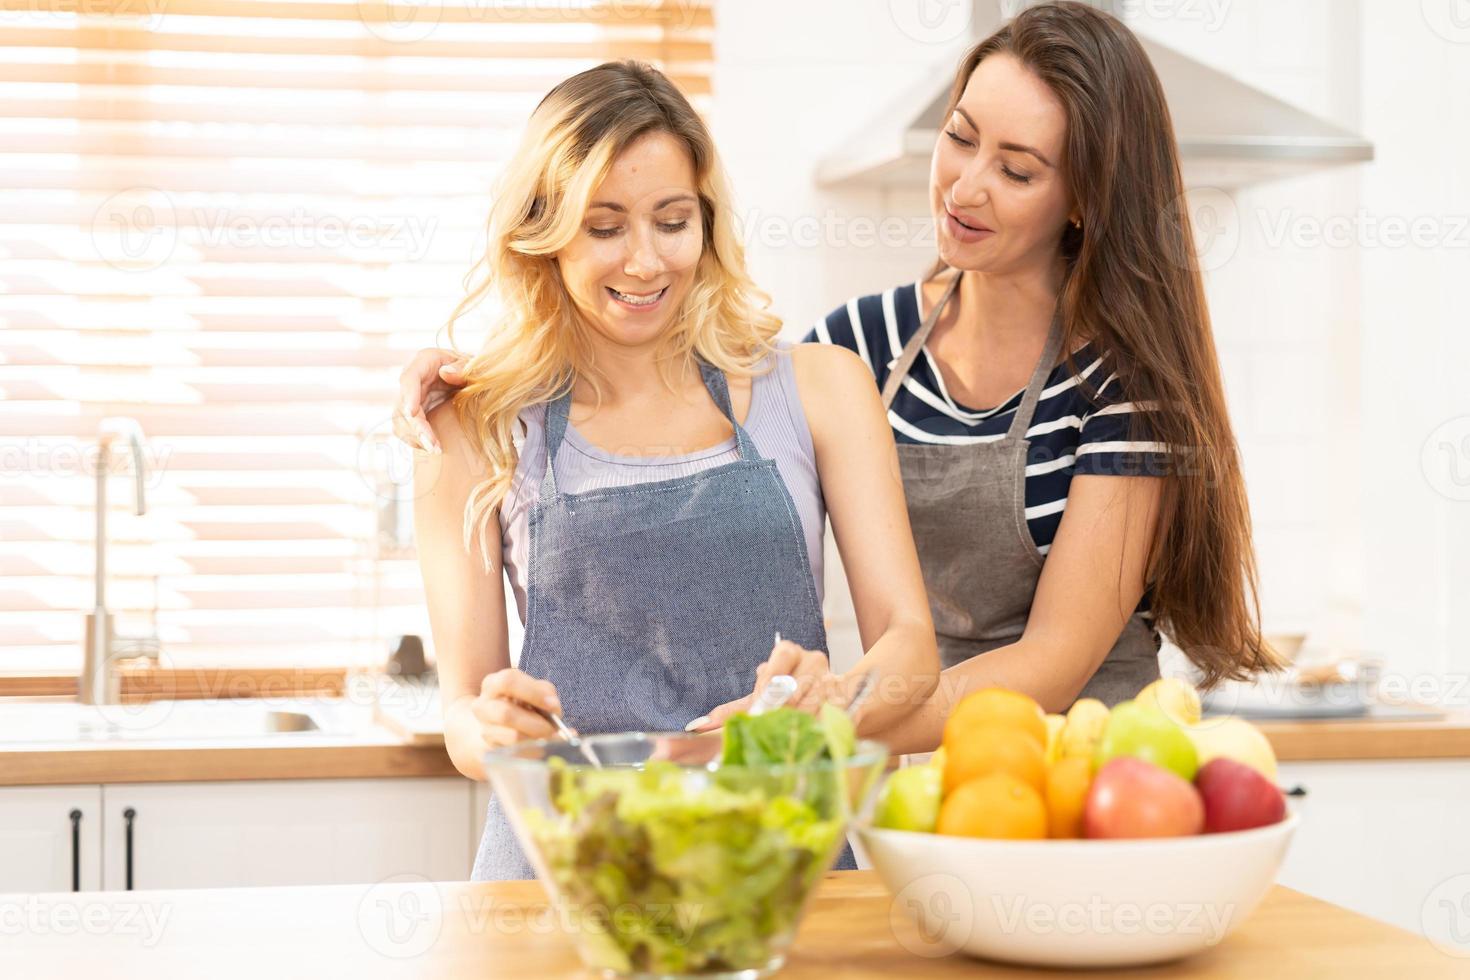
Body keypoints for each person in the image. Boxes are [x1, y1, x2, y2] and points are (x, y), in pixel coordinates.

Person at [401, 3, 1281, 760]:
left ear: (1085, 196)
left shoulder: (1123, 389)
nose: (966, 187)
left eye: (1016, 170)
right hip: (917, 773)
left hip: (1083, 767)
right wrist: (488, 383)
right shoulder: (865, 344)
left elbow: (1051, 658)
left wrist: (807, 731)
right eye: (960, 139)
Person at [408, 61, 937, 881]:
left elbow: (909, 646)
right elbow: (463, 718)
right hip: (563, 884)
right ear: (544, 232)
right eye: (605, 225)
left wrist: (829, 710)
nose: (646, 261)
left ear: (708, 224)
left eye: (672, 220)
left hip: (774, 867)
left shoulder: (822, 389)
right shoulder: (473, 425)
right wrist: (493, 733)